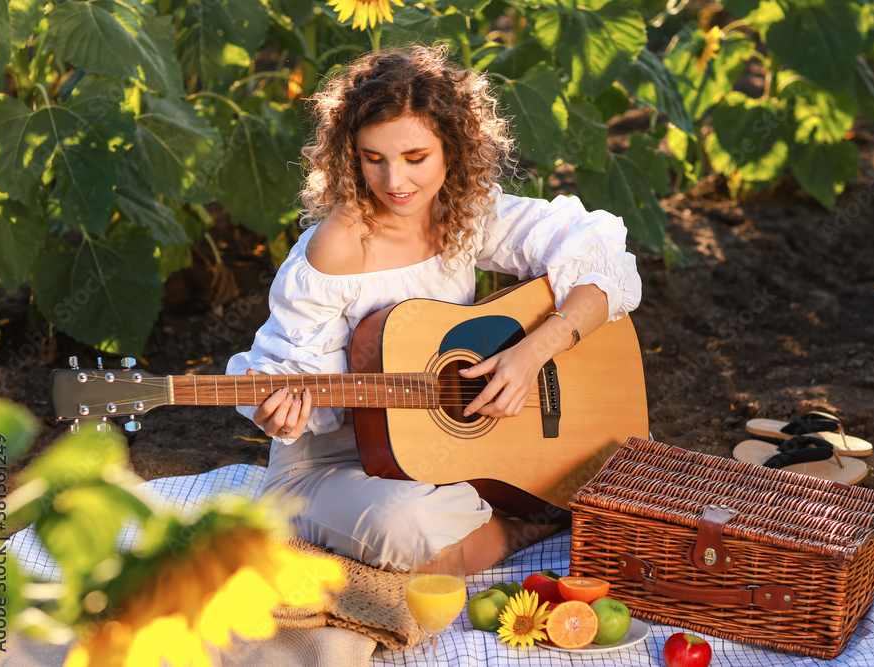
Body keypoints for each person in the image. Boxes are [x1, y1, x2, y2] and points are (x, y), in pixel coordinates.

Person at [226, 45, 642, 575]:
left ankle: (519, 497)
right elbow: (297, 385)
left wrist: (535, 351)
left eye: (415, 158)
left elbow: (599, 251)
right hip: (334, 467)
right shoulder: (335, 248)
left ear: (454, 149)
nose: (395, 182)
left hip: (442, 447)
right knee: (409, 529)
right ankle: (528, 523)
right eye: (372, 158)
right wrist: (279, 412)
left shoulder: (462, 214)